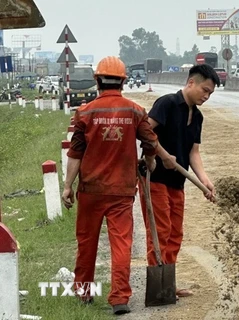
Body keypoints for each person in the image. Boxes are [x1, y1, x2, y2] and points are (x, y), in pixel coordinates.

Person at [62, 56, 161, 315]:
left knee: (87, 242)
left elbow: (75, 153)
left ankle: (83, 293)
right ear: (123, 82)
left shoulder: (85, 113)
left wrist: (66, 186)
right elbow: (151, 142)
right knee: (121, 244)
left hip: (91, 191)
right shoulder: (136, 111)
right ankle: (119, 298)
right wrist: (149, 162)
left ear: (97, 81)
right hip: (121, 191)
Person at [138, 64, 219, 298]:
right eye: (204, 90)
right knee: (159, 231)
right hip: (154, 178)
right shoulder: (167, 104)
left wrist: (205, 181)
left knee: (175, 233)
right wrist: (163, 156)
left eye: (210, 94)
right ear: (191, 82)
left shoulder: (198, 116)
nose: (206, 96)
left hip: (177, 182)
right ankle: (158, 287)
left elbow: (194, 152)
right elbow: (145, 131)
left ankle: (169, 284)